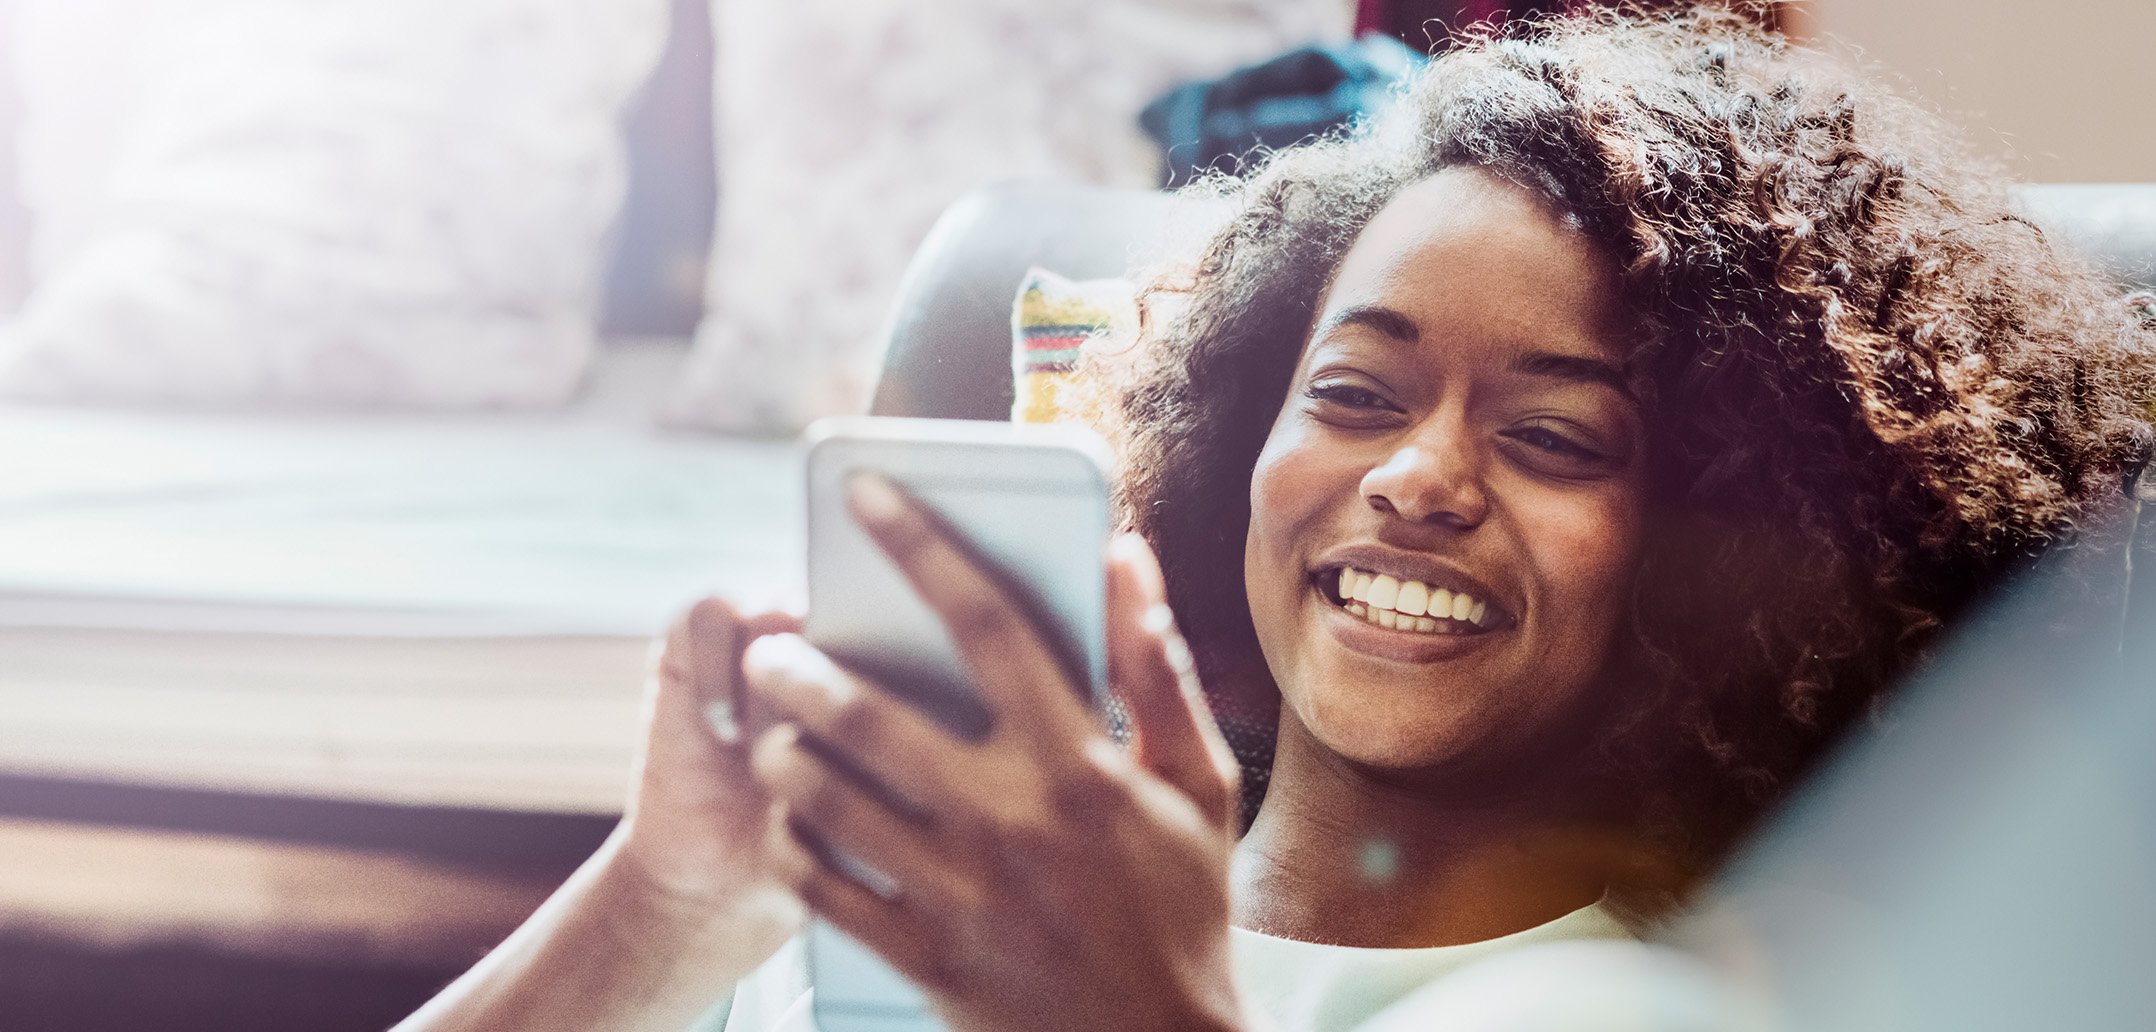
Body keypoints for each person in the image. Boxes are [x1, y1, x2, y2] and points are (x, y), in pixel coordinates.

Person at [395, 7, 2156, 1032]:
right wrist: (669, 898)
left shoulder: (1645, 1006)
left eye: (1554, 437)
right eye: (1356, 394)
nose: (1415, 478)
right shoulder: (933, 876)